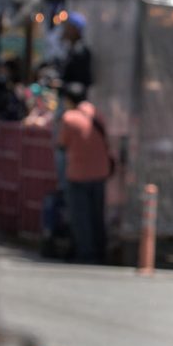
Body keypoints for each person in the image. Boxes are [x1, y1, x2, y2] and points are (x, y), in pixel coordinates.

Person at [58, 83, 110, 263]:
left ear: (68, 100)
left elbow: (62, 144)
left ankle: (85, 253)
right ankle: (100, 251)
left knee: (81, 216)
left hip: (78, 173)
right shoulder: (97, 114)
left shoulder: (69, 118)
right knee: (97, 214)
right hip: (101, 171)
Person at [59, 12, 93, 91]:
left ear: (75, 30)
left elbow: (83, 83)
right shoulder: (69, 50)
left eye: (68, 27)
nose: (65, 30)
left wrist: (64, 86)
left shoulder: (81, 52)